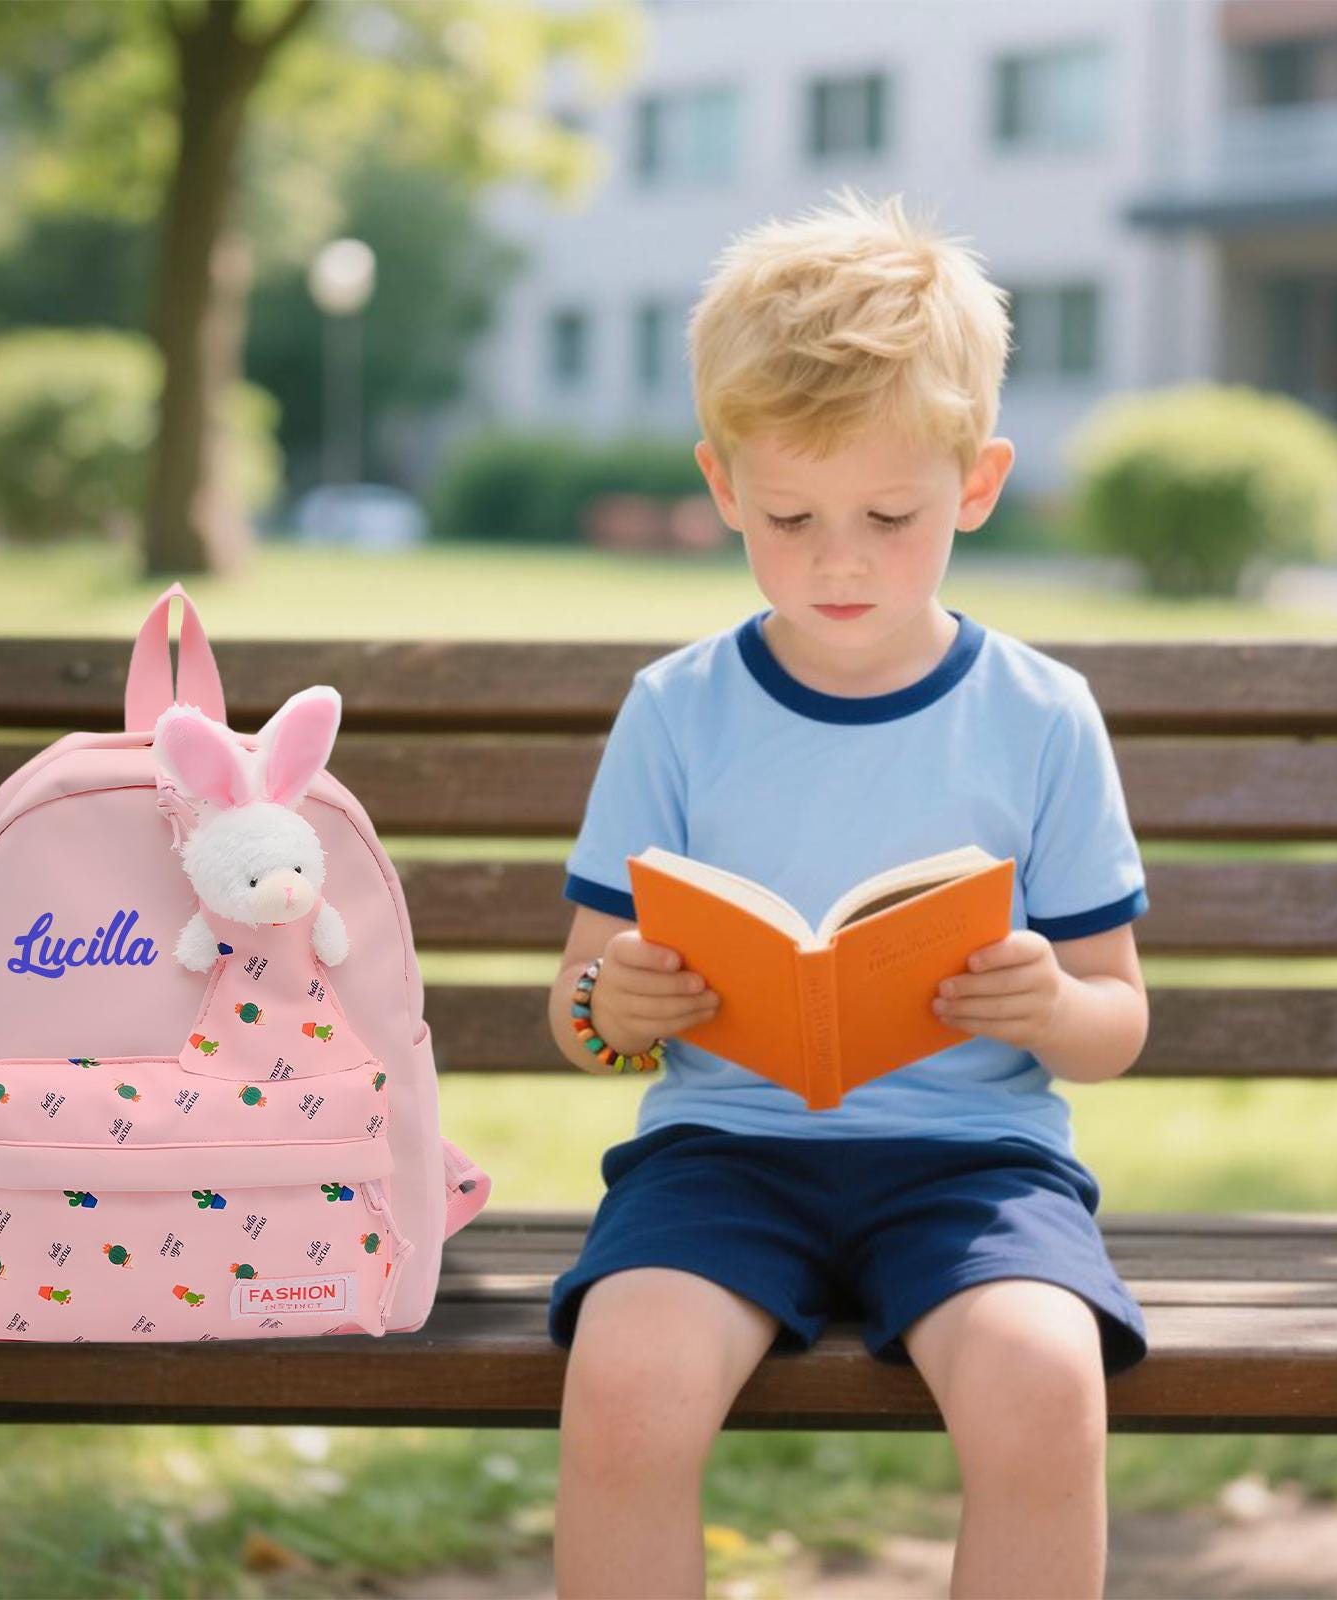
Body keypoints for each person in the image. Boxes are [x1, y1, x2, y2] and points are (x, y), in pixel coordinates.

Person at [544, 186, 1151, 1600]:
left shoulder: (1042, 714)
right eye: (789, 512)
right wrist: (615, 998)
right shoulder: (676, 709)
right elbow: (581, 1019)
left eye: (890, 512)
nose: (838, 558)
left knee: (1044, 1385)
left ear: (978, 484)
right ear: (721, 487)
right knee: (624, 1389)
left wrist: (1051, 1002)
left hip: (976, 1165)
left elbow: (1116, 1022)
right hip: (720, 1154)